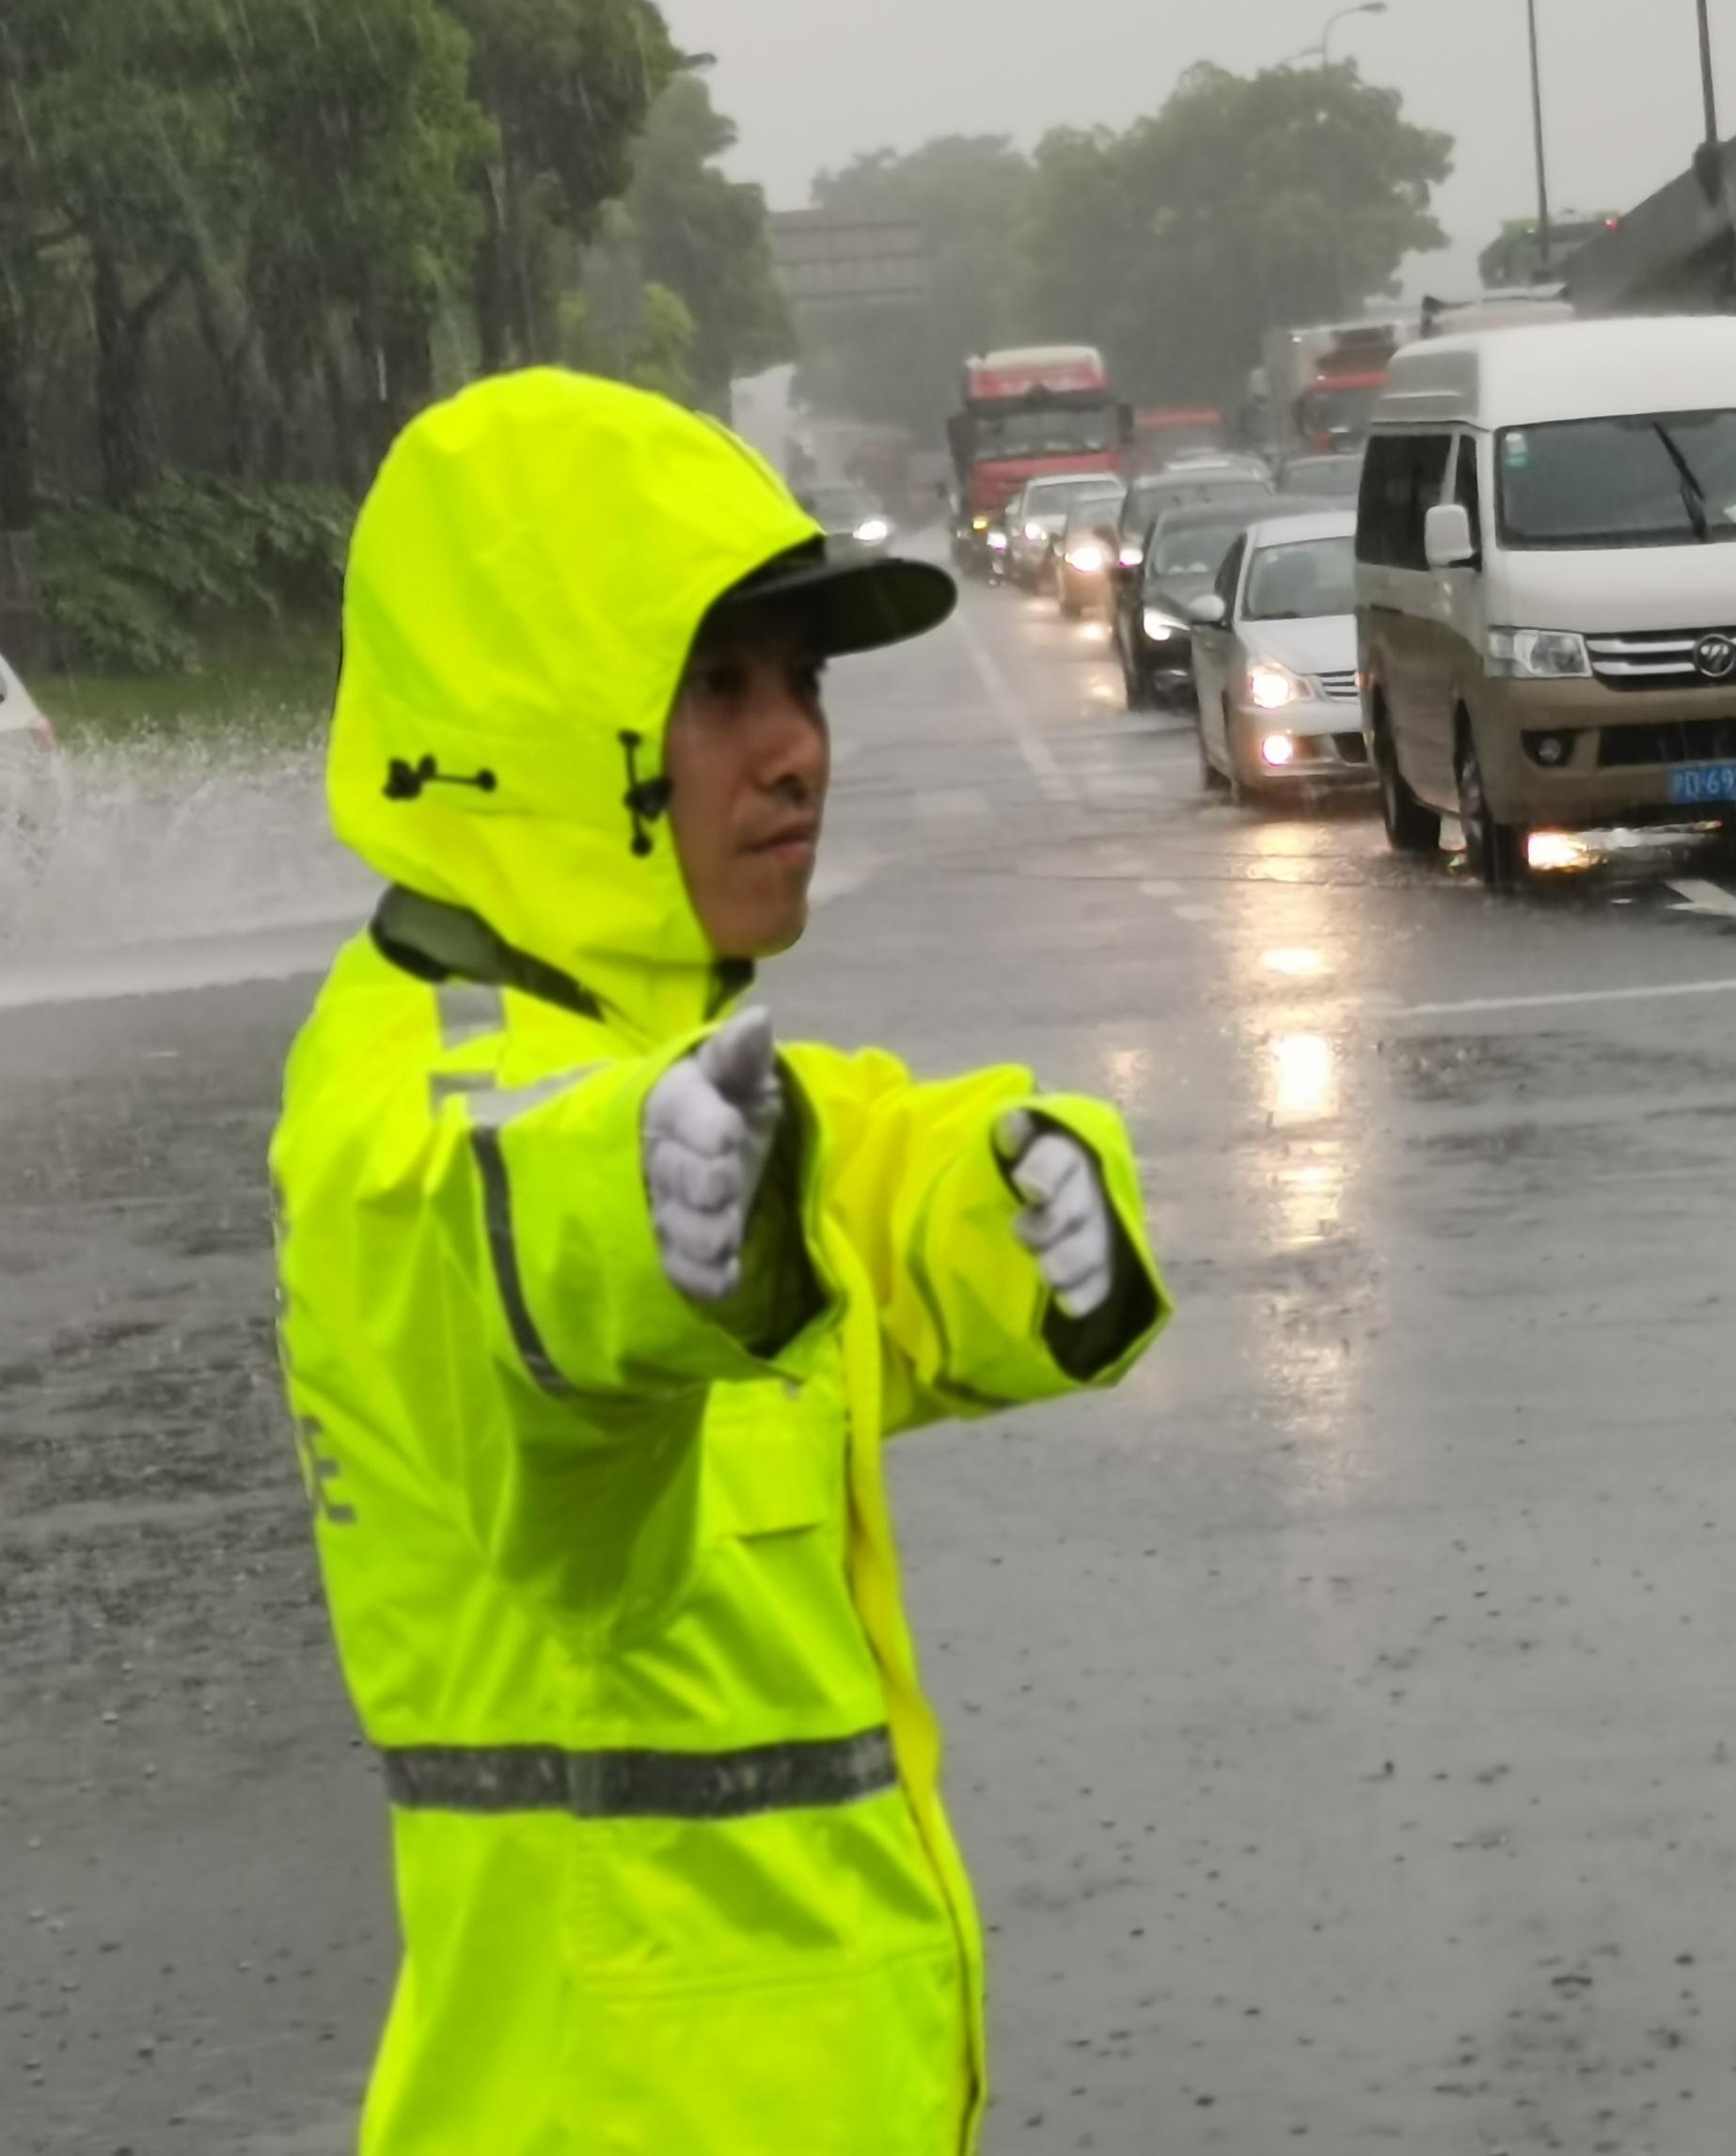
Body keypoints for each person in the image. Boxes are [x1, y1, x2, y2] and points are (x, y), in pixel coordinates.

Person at [269, 370, 1171, 2152]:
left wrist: (1038, 1203)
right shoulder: (427, 1102)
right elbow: (508, 1232)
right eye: (719, 685)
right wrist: (651, 1228)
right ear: (548, 718)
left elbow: (866, 1160)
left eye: (806, 682)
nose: (798, 747)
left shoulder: (640, 1055)